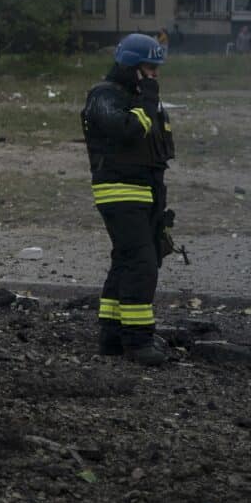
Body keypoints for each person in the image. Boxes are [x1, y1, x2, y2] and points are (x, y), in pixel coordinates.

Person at [80, 32, 175, 366]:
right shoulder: (104, 96)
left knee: (126, 261)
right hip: (118, 191)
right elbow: (127, 131)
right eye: (150, 68)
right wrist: (147, 104)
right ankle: (137, 341)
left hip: (145, 192)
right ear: (132, 67)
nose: (155, 75)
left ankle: (112, 336)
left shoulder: (138, 98)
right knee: (141, 264)